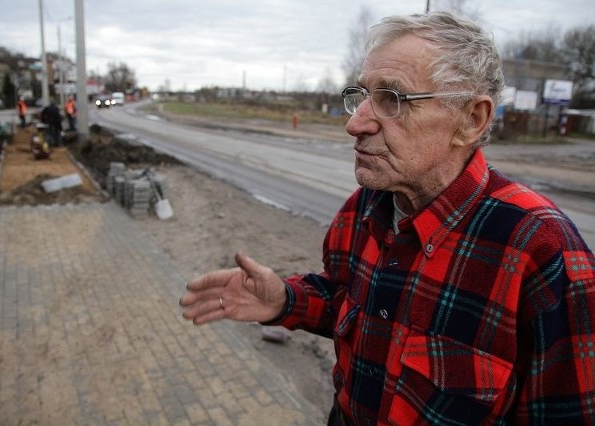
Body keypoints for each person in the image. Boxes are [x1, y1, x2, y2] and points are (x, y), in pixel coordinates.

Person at [179, 11, 595, 425]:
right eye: (361, 95)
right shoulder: (362, 208)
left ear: (471, 120)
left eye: (392, 99)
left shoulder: (541, 249)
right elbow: (351, 303)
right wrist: (285, 301)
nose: (355, 122)